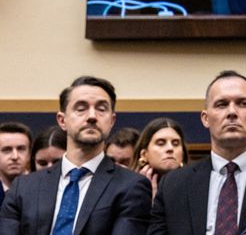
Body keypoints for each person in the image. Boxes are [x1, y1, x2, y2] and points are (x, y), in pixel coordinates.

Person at [0, 76, 152, 234]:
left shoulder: (131, 186)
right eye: (81, 109)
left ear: (112, 121)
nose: (92, 116)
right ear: (62, 120)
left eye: (101, 109)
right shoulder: (24, 188)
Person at [148, 71, 246, 235]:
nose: (232, 112)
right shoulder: (174, 185)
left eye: (242, 103)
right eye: (221, 104)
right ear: (205, 118)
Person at [130, 118, 188, 201]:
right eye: (161, 143)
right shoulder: (126, 188)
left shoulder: (196, 185)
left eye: (175, 144)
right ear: (144, 154)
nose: (170, 148)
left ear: (182, 154)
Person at [0, 122, 31, 206]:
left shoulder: (42, 189)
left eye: (21, 149)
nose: (15, 156)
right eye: (7, 150)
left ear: (29, 154)